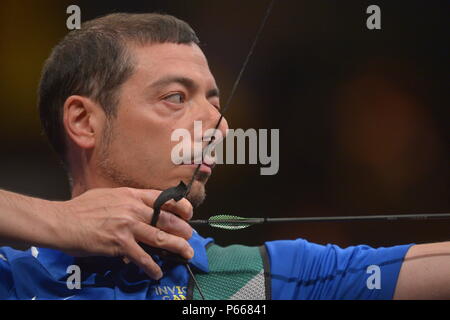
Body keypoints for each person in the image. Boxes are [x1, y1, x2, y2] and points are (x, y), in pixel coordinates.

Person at [0, 13, 449, 300]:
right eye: (176, 97)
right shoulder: (16, 281)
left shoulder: (253, 279)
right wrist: (57, 222)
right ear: (83, 121)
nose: (219, 127)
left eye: (215, 104)